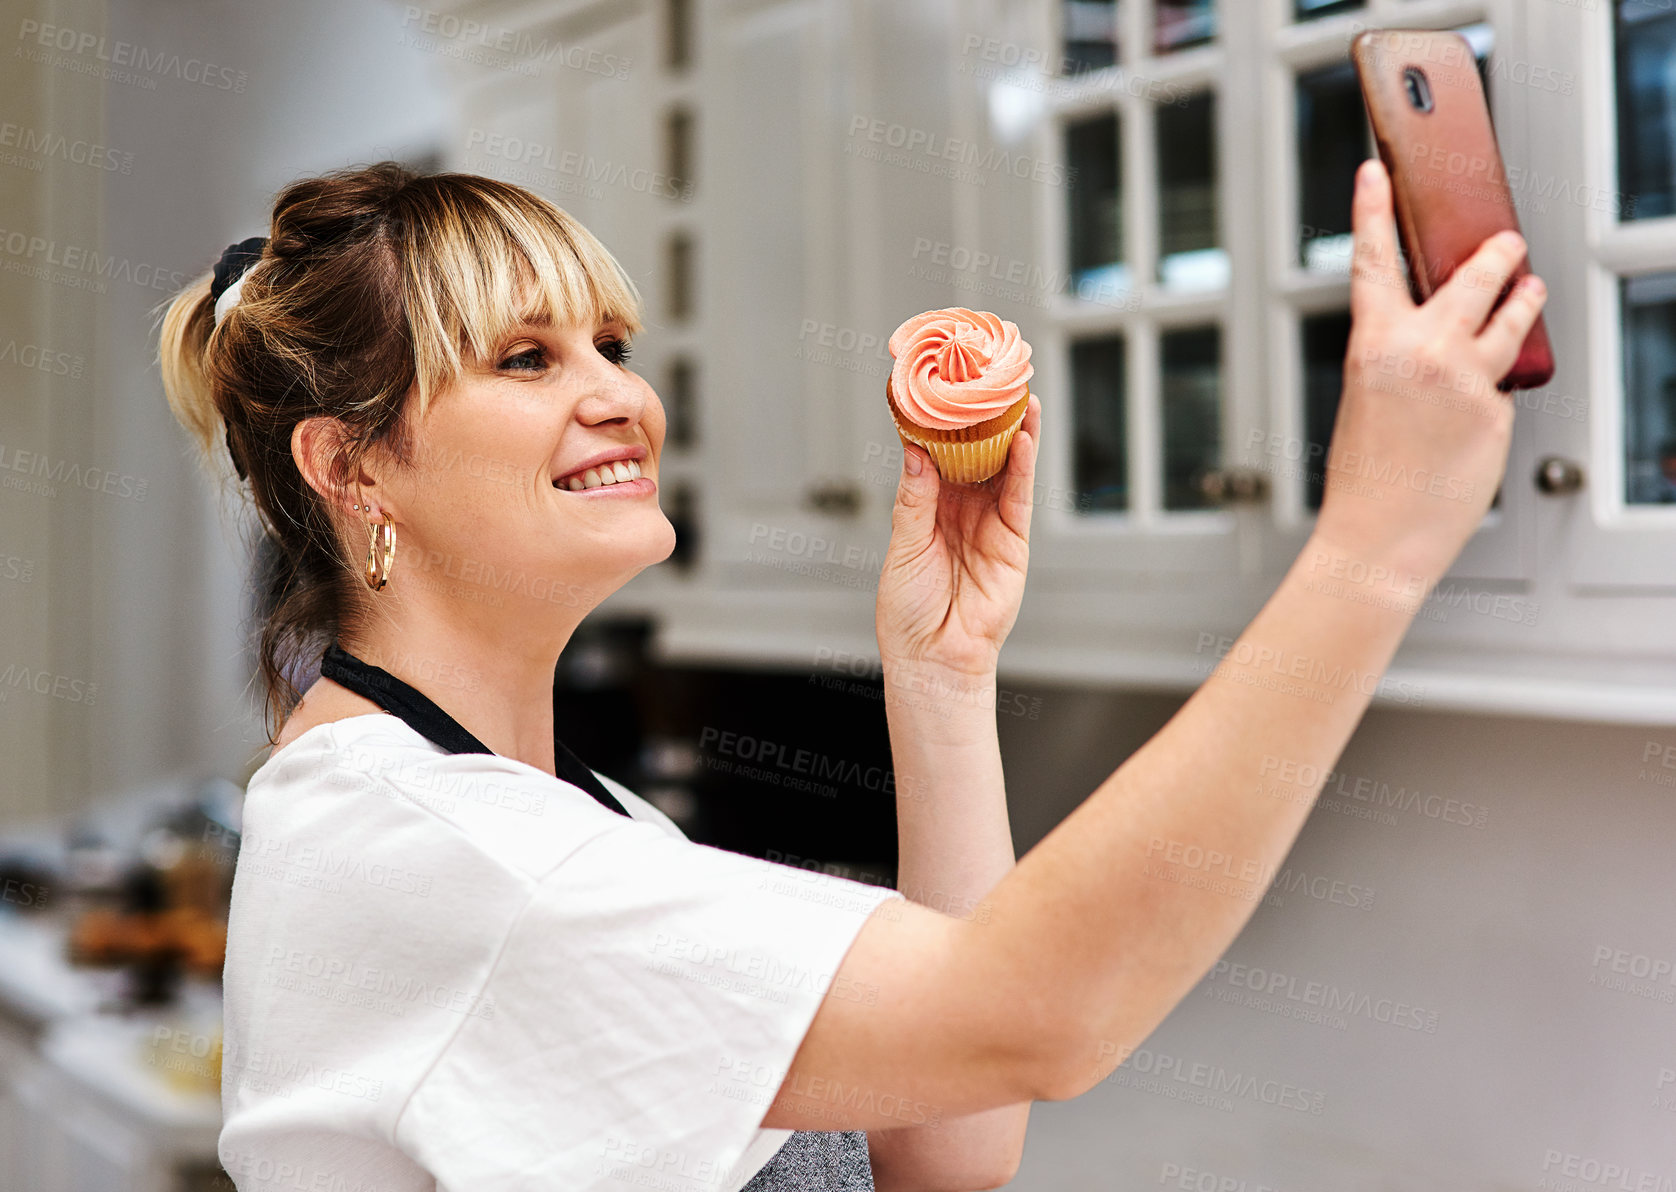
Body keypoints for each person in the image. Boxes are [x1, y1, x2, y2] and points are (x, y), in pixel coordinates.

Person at [158, 157, 1545, 1191]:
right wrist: (1372, 545)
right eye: (526, 357)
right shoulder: (451, 856)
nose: (621, 395)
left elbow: (955, 1137)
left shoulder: (549, 822)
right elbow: (1039, 1021)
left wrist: (939, 676)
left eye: (614, 346)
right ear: (348, 467)